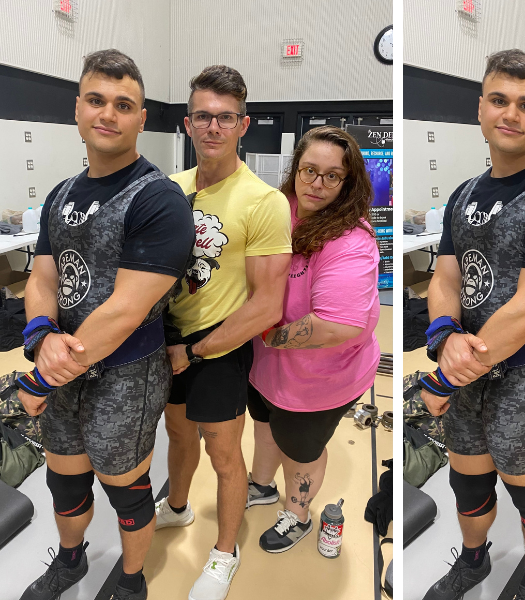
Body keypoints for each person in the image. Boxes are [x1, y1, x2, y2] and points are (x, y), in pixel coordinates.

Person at [17, 49, 193, 600]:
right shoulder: (61, 196)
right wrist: (40, 338)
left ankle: (133, 581)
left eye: (124, 104)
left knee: (127, 488)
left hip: (124, 377)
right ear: (78, 109)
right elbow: (43, 278)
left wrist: (44, 376)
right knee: (64, 480)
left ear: (143, 118)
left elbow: (125, 310)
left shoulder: (159, 199)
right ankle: (70, 562)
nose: (108, 114)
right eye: (97, 100)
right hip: (64, 365)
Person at [419, 49, 525, 600]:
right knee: (466, 478)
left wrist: (447, 376)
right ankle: (473, 561)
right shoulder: (464, 195)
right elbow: (445, 279)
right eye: (499, 100)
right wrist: (443, 338)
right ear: (480, 109)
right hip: (467, 364)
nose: (511, 114)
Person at [154, 66, 293, 600]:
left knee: (223, 451)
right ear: (188, 124)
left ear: (243, 124)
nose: (213, 127)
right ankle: (179, 506)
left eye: (225, 118)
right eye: (203, 117)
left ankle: (224, 553)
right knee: (178, 434)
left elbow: (266, 305)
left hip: (221, 343)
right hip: (171, 338)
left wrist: (197, 350)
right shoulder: (168, 190)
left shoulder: (263, 201)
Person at [245, 126, 381, 552]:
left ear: (348, 182)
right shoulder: (280, 208)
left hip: (318, 380)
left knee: (300, 451)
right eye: (308, 171)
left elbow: (336, 325)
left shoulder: (350, 241)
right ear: (295, 170)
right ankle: (262, 486)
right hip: (268, 368)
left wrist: (267, 333)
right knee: (265, 425)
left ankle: (299, 513)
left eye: (331, 176)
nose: (316, 185)